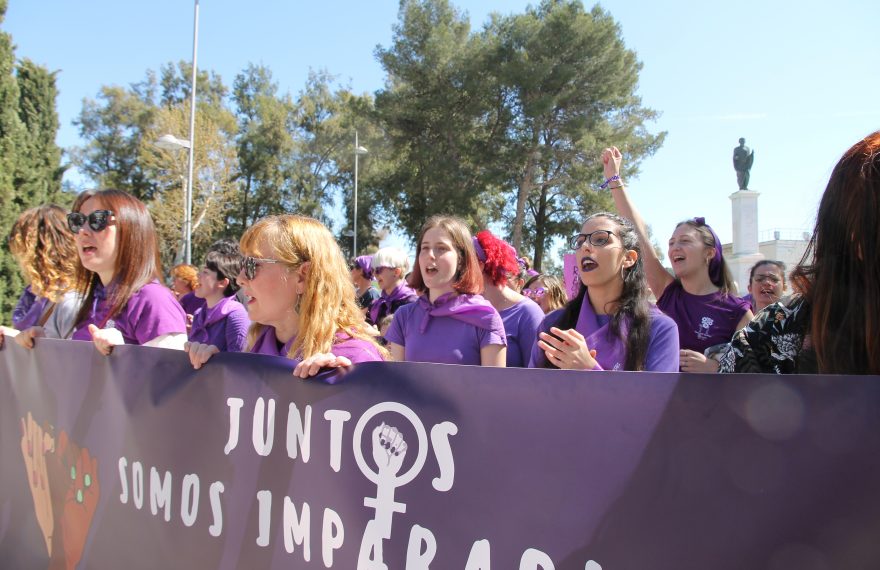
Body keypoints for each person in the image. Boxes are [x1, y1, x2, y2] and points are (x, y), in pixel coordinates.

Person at [720, 131, 880, 374]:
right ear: (852, 229)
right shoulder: (766, 339)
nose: (766, 284)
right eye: (760, 278)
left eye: (772, 278)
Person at [604, 146, 753, 372]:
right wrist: (614, 180)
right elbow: (638, 233)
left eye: (684, 241)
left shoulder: (737, 311)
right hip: (661, 395)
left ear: (710, 252)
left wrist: (714, 368)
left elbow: (754, 371)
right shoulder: (668, 292)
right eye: (671, 242)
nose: (674, 248)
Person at [186, 215, 386, 378]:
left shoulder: (356, 360)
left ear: (302, 276)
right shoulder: (256, 348)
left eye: (252, 265)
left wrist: (342, 391)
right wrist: (213, 372)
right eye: (242, 265)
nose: (240, 279)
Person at [528, 212, 679, 372]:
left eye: (600, 239)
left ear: (629, 258)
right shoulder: (553, 325)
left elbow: (658, 390)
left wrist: (589, 369)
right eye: (580, 242)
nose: (585, 246)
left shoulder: (659, 328)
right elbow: (531, 386)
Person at [68, 189, 187, 354]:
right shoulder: (94, 300)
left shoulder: (154, 300)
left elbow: (173, 369)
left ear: (131, 229)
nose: (83, 230)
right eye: (77, 221)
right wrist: (39, 347)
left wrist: (123, 354)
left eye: (97, 220)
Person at [384, 215, 506, 366]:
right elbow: (396, 379)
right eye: (425, 248)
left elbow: (494, 381)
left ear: (461, 260)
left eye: (441, 248)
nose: (430, 255)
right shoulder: (404, 317)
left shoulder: (486, 318)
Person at [1, 205, 82, 348]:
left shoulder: (70, 304)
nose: (19, 261)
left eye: (21, 250)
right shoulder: (40, 299)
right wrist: (12, 339)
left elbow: (77, 359)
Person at [474, 230, 544, 367]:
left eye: (463, 263)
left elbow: (539, 374)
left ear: (480, 266)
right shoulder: (468, 310)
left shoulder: (528, 313)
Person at [187, 246, 250, 353]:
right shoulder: (198, 314)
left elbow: (238, 360)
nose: (198, 275)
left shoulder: (236, 315)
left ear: (222, 283)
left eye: (205, 272)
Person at [368, 246, 418, 327]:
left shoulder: (412, 304)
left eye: (378, 270)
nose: (374, 274)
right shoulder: (379, 304)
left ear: (396, 272)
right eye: (372, 270)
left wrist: (376, 333)